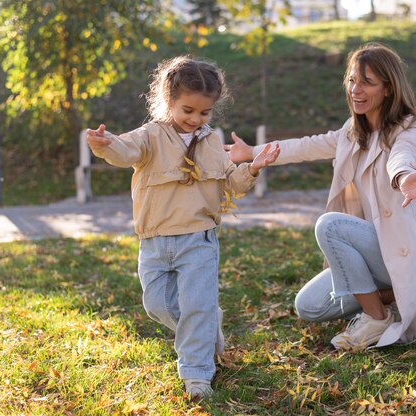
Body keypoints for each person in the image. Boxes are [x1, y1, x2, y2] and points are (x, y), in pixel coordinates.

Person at [226, 42, 416, 351]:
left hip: (398, 247)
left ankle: (377, 316)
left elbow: (401, 156)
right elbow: (305, 146)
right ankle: (398, 296)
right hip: (369, 251)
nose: (355, 89)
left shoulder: (410, 126)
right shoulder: (352, 132)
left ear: (388, 88)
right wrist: (252, 152)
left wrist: (404, 177)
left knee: (330, 226)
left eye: (367, 82)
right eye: (352, 80)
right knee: (309, 306)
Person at [86, 56, 280, 399]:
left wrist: (251, 168)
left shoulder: (210, 141)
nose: (195, 119)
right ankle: (207, 332)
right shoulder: (151, 136)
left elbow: (231, 184)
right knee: (157, 305)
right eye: (188, 110)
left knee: (197, 306)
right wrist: (105, 145)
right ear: (169, 100)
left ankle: (197, 375)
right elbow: (124, 149)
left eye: (204, 113)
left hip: (198, 240)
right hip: (155, 241)